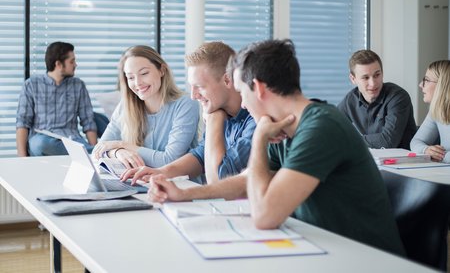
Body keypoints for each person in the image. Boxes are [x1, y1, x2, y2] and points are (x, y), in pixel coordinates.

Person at [144, 39, 405, 256]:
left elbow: (264, 217)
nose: (243, 105)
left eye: (243, 93)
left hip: (363, 259)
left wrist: (258, 140)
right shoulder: (282, 127)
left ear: (257, 88)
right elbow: (247, 179)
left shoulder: (320, 127)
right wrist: (185, 194)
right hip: (320, 248)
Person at [121, 41, 256, 184]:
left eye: (199, 86)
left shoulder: (255, 119)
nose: (193, 95)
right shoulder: (222, 111)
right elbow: (200, 156)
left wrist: (213, 120)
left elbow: (219, 180)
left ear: (227, 80)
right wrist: (161, 173)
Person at [92, 45, 200, 169]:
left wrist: (122, 145)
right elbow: (99, 149)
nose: (138, 83)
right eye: (131, 77)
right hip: (140, 183)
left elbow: (169, 160)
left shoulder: (186, 104)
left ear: (162, 70)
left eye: (144, 73)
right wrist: (117, 152)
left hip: (179, 184)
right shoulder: (125, 106)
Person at [16, 41, 97, 156]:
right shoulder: (32, 85)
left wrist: (95, 153)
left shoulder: (78, 85)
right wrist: (22, 158)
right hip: (42, 139)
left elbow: (88, 121)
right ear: (58, 64)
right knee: (41, 144)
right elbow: (23, 123)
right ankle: (88, 152)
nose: (75, 65)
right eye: (72, 61)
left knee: (81, 147)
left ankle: (93, 153)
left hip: (71, 139)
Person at [337, 49, 416, 149]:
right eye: (365, 78)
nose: (373, 83)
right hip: (375, 159)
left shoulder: (398, 96)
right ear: (353, 79)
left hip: (404, 161)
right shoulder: (351, 99)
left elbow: (387, 141)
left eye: (377, 75)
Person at [411, 60, 450, 163]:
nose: (420, 84)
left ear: (442, 85)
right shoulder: (436, 110)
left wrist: (441, 156)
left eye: (426, 80)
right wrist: (426, 150)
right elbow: (415, 142)